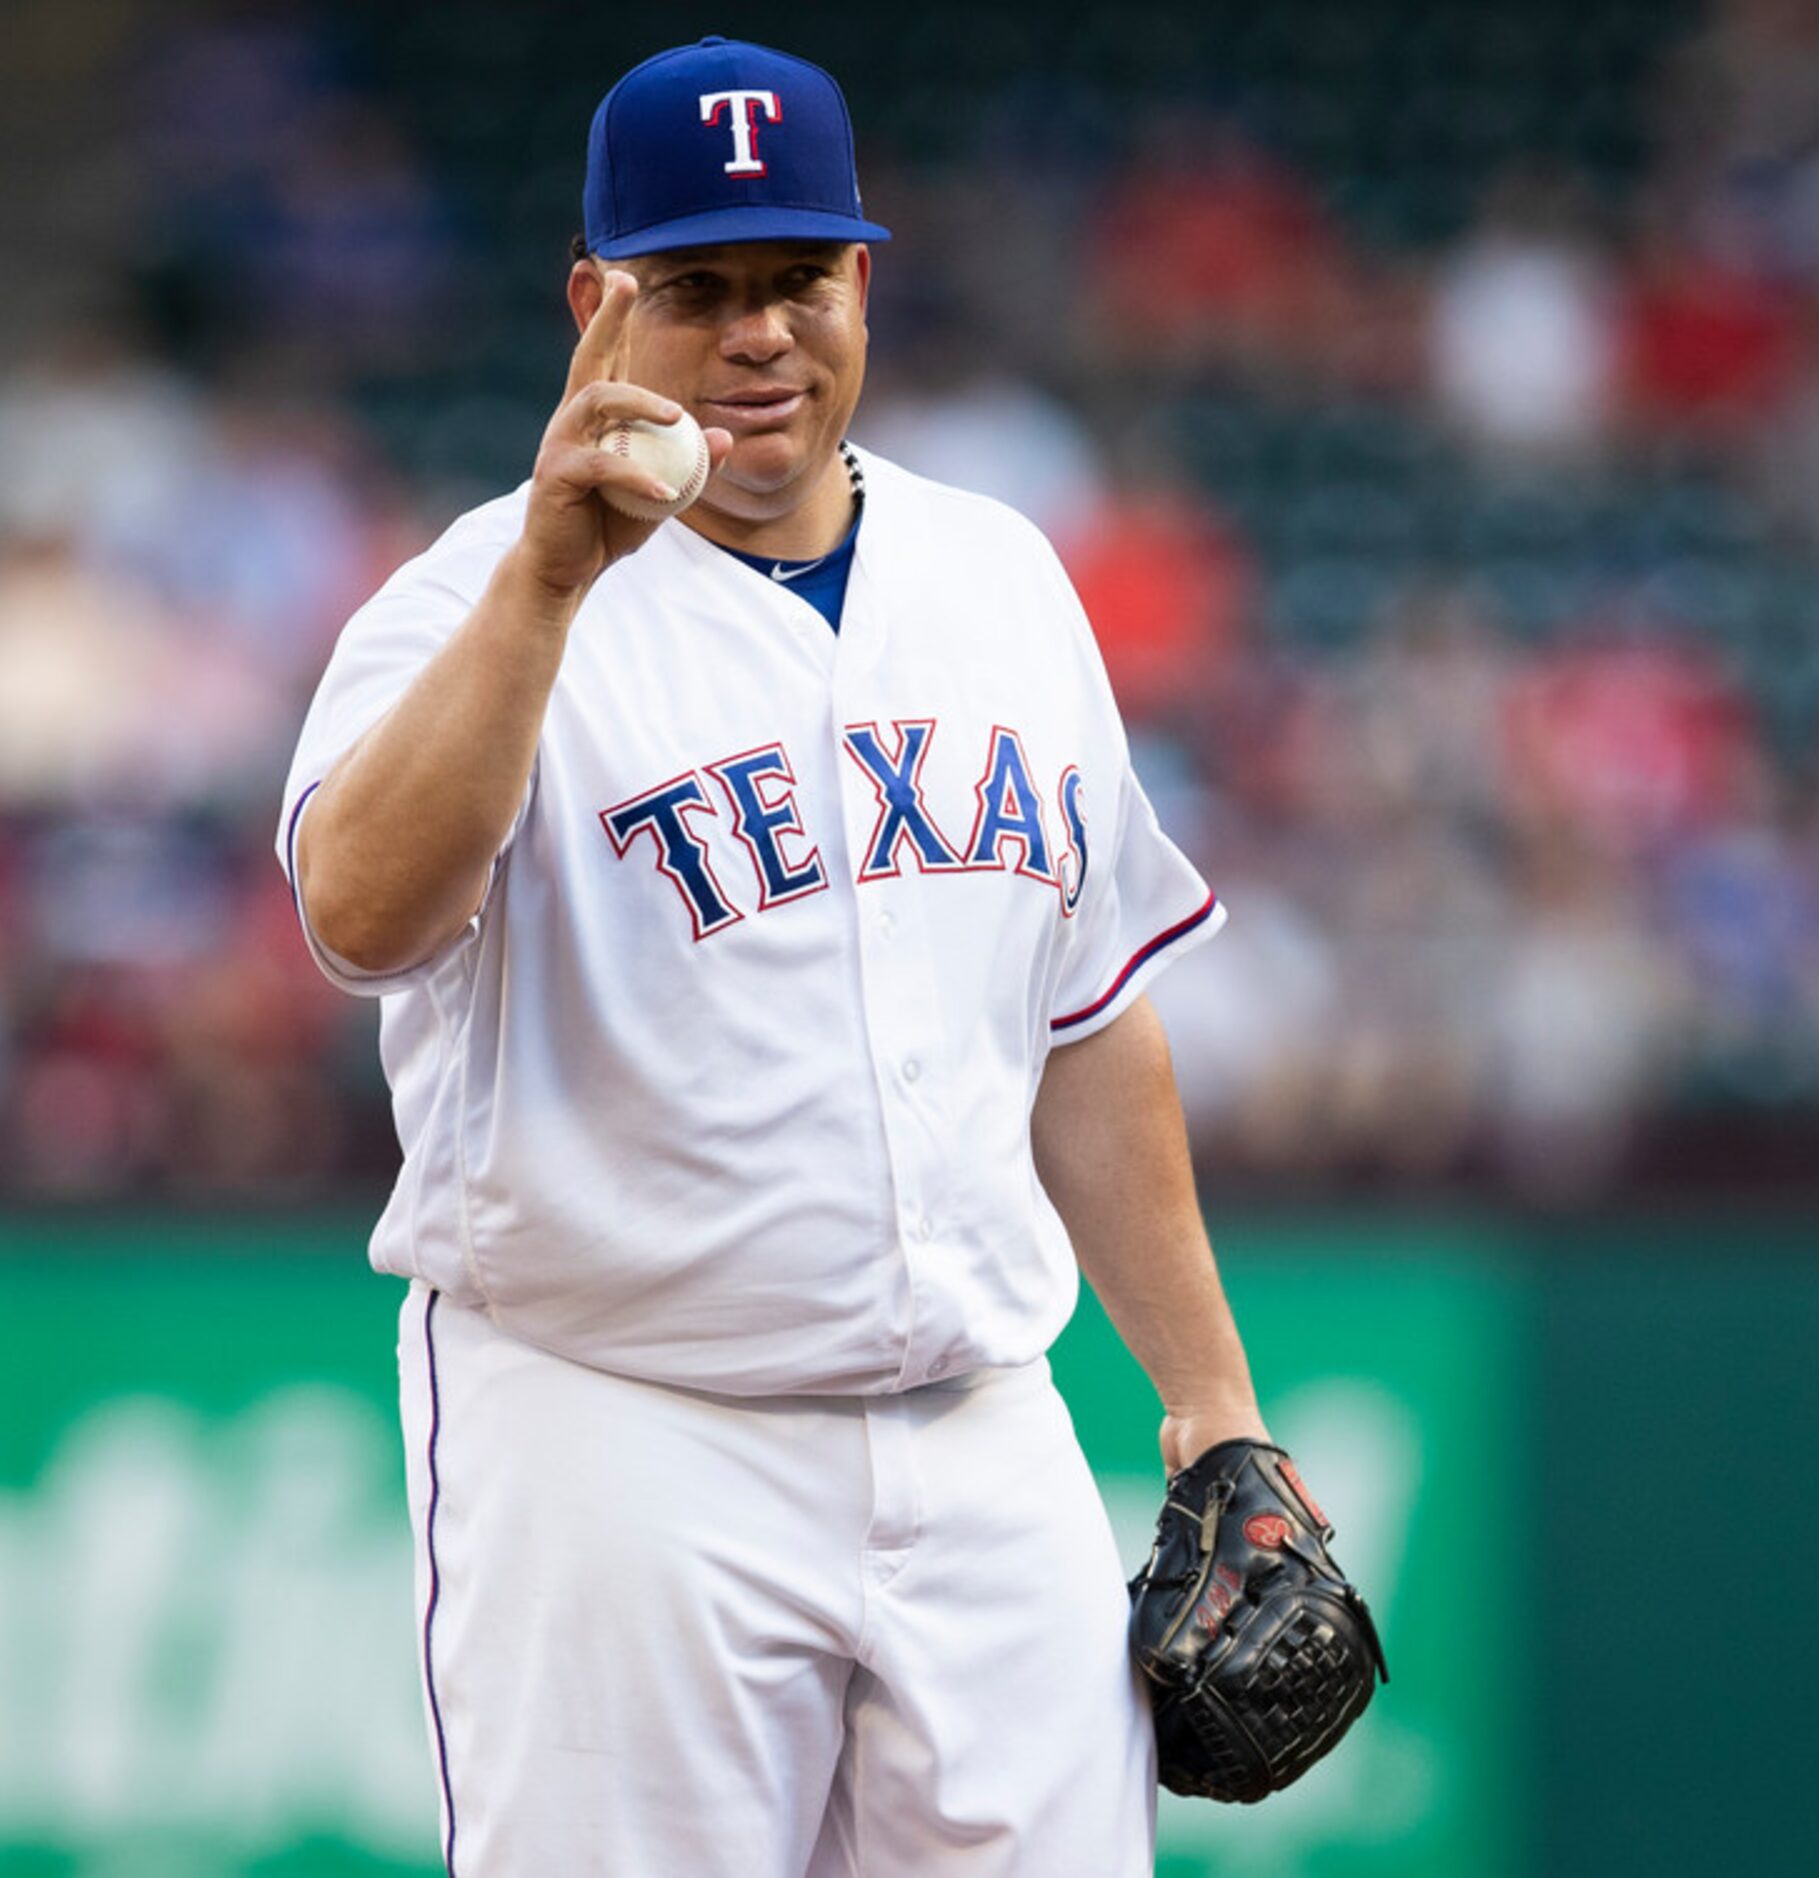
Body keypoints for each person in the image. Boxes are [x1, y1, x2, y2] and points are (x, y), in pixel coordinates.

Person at [279, 37, 1270, 1875]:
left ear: (861, 289)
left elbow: (1085, 1012)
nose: (758, 335)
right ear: (593, 306)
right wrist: (549, 581)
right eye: (695, 291)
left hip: (981, 1428)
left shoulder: (997, 576)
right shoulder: (464, 599)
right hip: (621, 1431)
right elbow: (359, 915)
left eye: (795, 282)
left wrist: (1210, 1404)